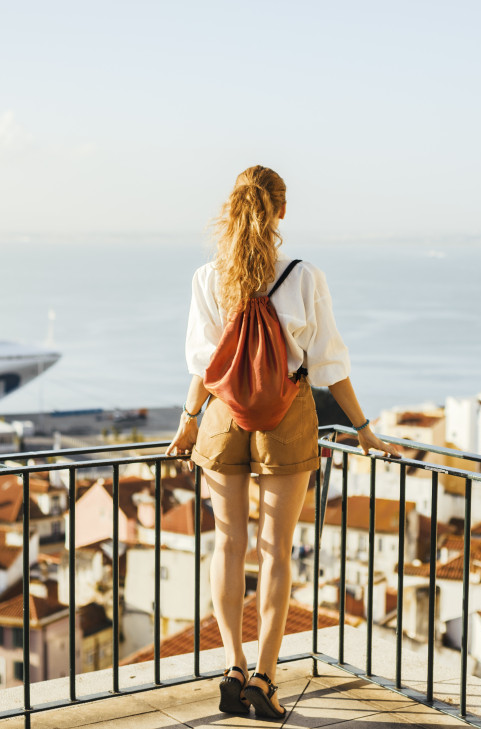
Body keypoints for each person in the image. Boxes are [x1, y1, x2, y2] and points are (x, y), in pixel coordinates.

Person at [166, 165, 401, 719]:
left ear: (231, 210)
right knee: (276, 549)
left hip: (223, 414)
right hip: (287, 415)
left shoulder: (209, 277)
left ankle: (233, 664)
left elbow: (204, 363)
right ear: (282, 210)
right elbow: (329, 364)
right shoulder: (302, 276)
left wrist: (188, 418)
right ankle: (266, 678)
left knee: (227, 543)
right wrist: (363, 428)